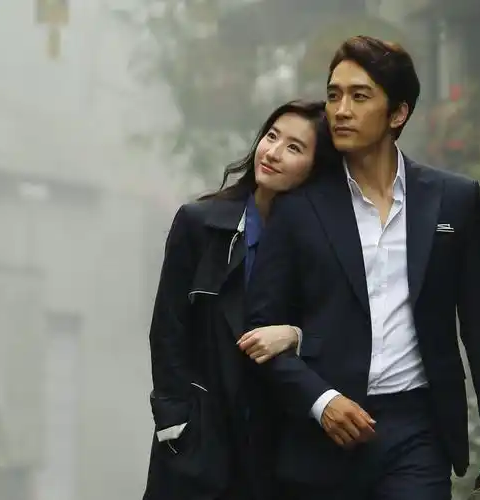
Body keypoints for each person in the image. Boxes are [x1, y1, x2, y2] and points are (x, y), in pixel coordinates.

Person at [246, 36, 480, 500]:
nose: (341, 110)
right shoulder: (299, 208)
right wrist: (321, 401)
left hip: (416, 433)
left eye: (359, 96)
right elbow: (260, 327)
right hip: (321, 437)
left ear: (398, 113)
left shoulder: (453, 200)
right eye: (334, 95)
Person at [144, 99, 339, 500]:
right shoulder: (199, 224)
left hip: (279, 450)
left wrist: (295, 334)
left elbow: (339, 329)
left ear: (317, 167)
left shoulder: (326, 245)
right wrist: (175, 423)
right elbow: (168, 330)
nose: (273, 152)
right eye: (272, 136)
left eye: (294, 147)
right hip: (199, 443)